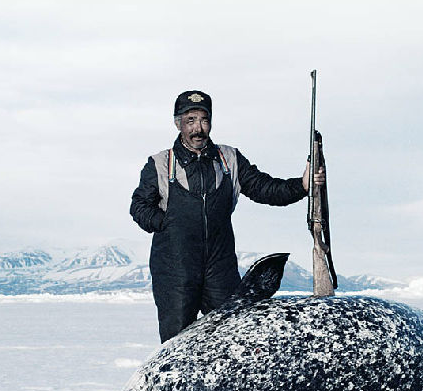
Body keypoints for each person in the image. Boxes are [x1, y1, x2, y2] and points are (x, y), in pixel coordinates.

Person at [130, 90, 323, 342]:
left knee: (231, 336)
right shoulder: (159, 164)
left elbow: (264, 188)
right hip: (175, 269)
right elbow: (139, 206)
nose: (198, 128)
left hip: (219, 267)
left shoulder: (229, 159)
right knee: (176, 343)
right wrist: (165, 222)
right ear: (178, 123)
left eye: (204, 120)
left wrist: (302, 186)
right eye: (190, 120)